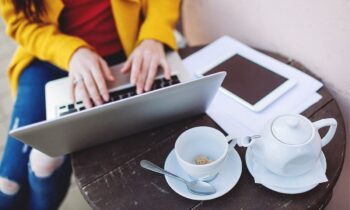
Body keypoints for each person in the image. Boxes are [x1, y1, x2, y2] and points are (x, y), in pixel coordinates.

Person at [0, 0, 180, 209]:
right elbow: (21, 23)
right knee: (8, 183)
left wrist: (154, 35)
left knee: (45, 164)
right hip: (49, 56)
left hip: (123, 56)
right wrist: (72, 52)